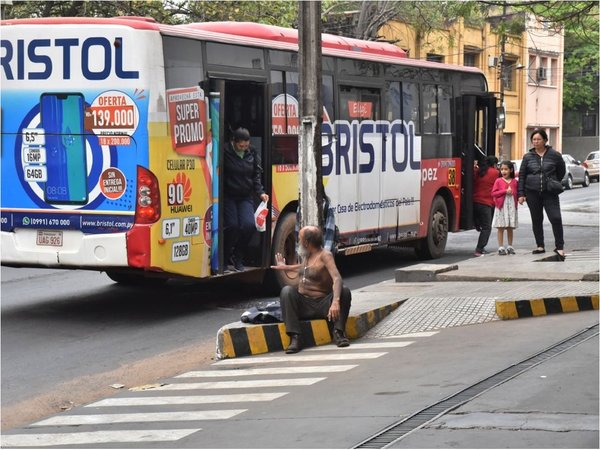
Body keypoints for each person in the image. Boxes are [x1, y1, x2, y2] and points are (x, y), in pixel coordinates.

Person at [271, 225, 352, 354]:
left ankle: (338, 332)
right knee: (287, 291)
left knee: (345, 291)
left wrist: (335, 301)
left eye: (300, 239)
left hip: (324, 306)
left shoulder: (325, 255)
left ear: (307, 242)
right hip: (305, 305)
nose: (298, 242)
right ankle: (295, 338)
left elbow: (337, 278)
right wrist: (285, 267)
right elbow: (306, 268)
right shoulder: (307, 254)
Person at [223, 127, 269, 272]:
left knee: (249, 225)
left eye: (246, 145)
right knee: (232, 225)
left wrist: (260, 192)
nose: (243, 148)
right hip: (228, 196)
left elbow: (255, 174)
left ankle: (238, 257)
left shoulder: (252, 152)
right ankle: (224, 258)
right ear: (233, 142)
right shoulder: (224, 152)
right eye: (240, 146)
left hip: (245, 196)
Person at [517, 129, 566, 260]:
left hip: (550, 192)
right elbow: (522, 175)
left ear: (545, 140)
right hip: (532, 192)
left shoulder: (555, 155)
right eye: (533, 139)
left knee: (555, 218)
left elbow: (561, 171)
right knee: (536, 219)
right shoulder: (528, 157)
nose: (536, 142)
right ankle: (540, 245)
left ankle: (560, 247)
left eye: (538, 139)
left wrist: (553, 182)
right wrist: (521, 194)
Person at [472, 155, 500, 257]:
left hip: (474, 202)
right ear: (494, 164)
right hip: (486, 203)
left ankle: (476, 223)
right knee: (487, 227)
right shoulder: (495, 173)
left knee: (482, 225)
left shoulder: (478, 171)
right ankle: (479, 249)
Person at [491, 161, 519, 255]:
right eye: (502, 169)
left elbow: (518, 193)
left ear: (511, 170)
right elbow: (493, 193)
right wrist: (504, 191)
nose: (503, 171)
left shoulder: (515, 182)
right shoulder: (498, 181)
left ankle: (510, 246)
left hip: (511, 207)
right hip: (501, 207)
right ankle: (501, 247)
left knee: (510, 227)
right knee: (500, 227)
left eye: (506, 169)